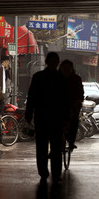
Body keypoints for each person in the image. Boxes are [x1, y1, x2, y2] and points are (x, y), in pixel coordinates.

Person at [25, 52, 68, 182]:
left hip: (44, 117)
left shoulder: (39, 77)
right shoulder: (60, 78)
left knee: (43, 147)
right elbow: (65, 100)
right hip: (54, 117)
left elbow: (31, 97)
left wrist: (29, 114)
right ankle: (54, 173)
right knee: (55, 147)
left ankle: (44, 172)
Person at [61, 60, 84, 151]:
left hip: (73, 105)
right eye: (64, 68)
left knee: (74, 122)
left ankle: (71, 142)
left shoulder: (76, 79)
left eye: (68, 68)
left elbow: (80, 93)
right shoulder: (58, 78)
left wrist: (78, 102)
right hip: (60, 105)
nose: (66, 70)